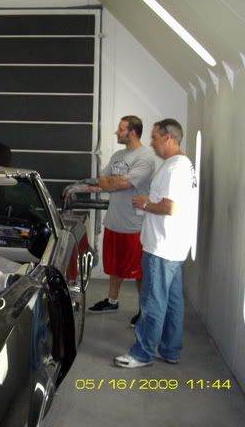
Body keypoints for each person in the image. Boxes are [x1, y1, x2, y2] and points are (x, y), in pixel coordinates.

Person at [115, 119, 197, 368]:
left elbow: (169, 207)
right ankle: (171, 350)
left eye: (155, 137)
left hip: (161, 246)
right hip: (173, 245)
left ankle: (142, 353)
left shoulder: (174, 168)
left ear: (168, 138)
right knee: (172, 301)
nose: (152, 142)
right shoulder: (183, 164)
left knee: (152, 301)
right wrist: (149, 203)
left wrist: (145, 204)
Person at [88, 116, 157, 328]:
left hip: (134, 225)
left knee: (139, 271)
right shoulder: (118, 155)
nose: (117, 133)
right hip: (114, 221)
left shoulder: (145, 157)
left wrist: (113, 182)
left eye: (121, 129)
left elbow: (124, 184)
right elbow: (102, 179)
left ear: (132, 132)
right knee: (115, 266)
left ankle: (144, 310)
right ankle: (112, 301)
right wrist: (113, 182)